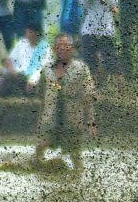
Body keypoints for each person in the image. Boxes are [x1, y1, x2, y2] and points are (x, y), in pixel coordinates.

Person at [37, 33, 96, 172]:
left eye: (66, 46)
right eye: (59, 46)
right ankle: (37, 170)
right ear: (54, 49)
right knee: (41, 146)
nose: (63, 49)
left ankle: (78, 179)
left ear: (73, 49)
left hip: (72, 120)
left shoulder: (81, 69)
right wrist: (39, 122)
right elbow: (42, 97)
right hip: (50, 119)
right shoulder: (47, 70)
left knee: (75, 155)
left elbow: (89, 96)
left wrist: (91, 122)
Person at [79, 0, 119, 88]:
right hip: (89, 29)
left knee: (111, 62)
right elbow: (82, 3)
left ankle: (120, 93)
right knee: (90, 62)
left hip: (106, 29)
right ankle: (92, 89)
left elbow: (112, 4)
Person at [9, 23, 50, 89]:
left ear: (37, 33)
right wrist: (12, 71)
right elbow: (11, 59)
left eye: (30, 32)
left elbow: (43, 68)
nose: (27, 34)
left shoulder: (45, 47)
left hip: (35, 80)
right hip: (18, 75)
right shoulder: (22, 43)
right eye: (27, 32)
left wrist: (33, 80)